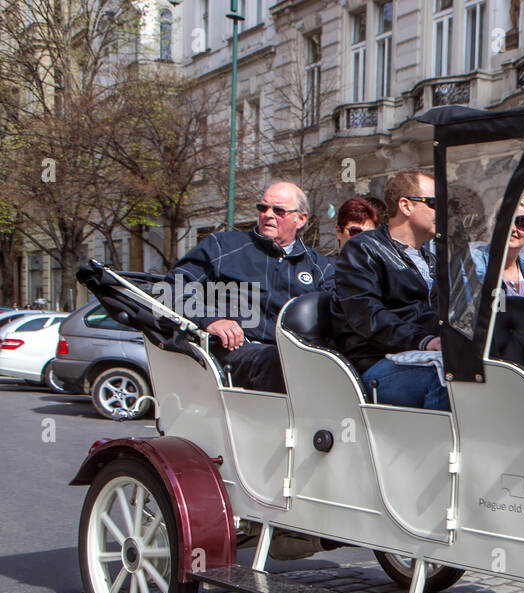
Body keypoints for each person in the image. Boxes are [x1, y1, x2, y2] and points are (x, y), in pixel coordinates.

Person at [166, 181, 333, 391]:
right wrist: (211, 319)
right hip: (233, 354)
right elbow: (173, 288)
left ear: (301, 219)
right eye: (263, 208)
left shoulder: (320, 267)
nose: (268, 215)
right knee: (278, 361)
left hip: (299, 357)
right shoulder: (221, 247)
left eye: (279, 210)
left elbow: (337, 315)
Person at [331, 168, 448, 411]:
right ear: (406, 205)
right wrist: (424, 341)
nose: (443, 212)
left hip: (422, 356)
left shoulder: (431, 260)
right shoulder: (364, 249)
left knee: (487, 373)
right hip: (375, 364)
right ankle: (433, 448)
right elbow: (368, 315)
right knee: (448, 379)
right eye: (435, 203)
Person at [471, 194, 524, 306]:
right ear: (494, 224)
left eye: (522, 222)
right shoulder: (474, 263)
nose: (512, 228)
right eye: (506, 220)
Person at [331, 196, 383, 266]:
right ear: (339, 232)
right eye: (355, 232)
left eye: (369, 234)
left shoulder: (384, 272)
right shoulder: (324, 271)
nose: (363, 240)